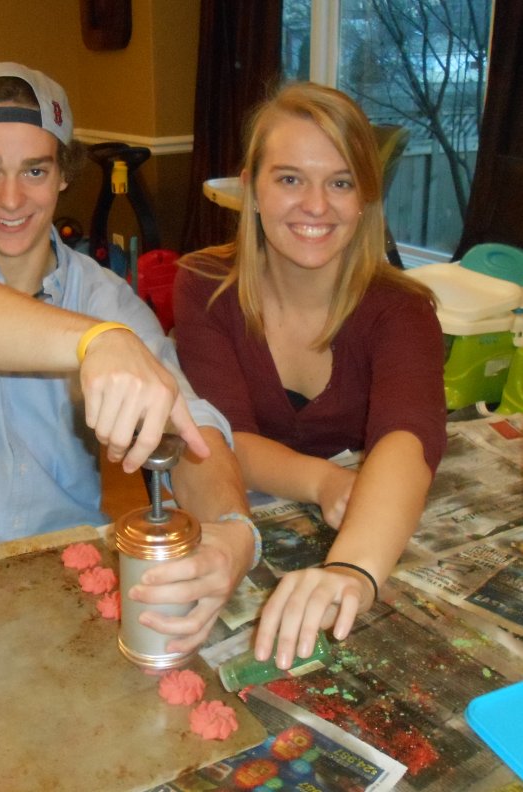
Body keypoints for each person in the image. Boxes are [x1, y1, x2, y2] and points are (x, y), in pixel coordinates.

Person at [0, 62, 257, 654]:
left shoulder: (104, 297)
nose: (12, 198)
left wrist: (235, 532)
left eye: (35, 170)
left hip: (60, 586)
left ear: (64, 175)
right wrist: (93, 342)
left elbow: (189, 425)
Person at [174, 82, 447, 669]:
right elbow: (219, 438)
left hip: (367, 524)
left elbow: (409, 438)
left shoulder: (402, 308)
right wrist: (326, 483)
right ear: (251, 189)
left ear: (365, 198)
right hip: (232, 512)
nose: (316, 206)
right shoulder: (203, 285)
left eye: (340, 182)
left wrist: (351, 571)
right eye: (291, 178)